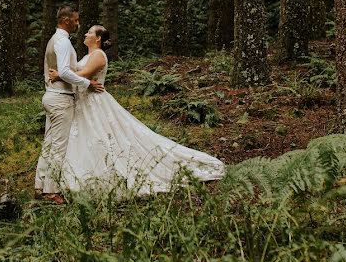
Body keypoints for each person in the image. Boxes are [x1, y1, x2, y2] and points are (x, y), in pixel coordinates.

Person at [49, 25, 225, 195]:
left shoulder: (98, 55)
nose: (85, 34)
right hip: (84, 101)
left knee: (102, 135)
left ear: (98, 38)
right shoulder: (89, 55)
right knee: (87, 137)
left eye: (89, 32)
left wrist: (60, 75)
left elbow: (85, 74)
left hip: (94, 101)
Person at [37, 7, 104, 204]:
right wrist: (87, 84)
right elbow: (64, 72)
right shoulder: (64, 42)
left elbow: (51, 70)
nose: (78, 24)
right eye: (75, 20)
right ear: (66, 20)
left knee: (49, 144)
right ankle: (51, 191)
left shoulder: (52, 40)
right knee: (58, 146)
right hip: (60, 99)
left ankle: (39, 185)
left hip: (51, 94)